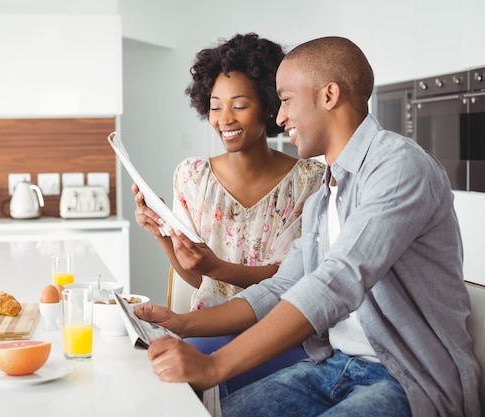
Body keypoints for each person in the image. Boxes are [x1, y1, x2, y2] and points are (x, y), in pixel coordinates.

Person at [135, 36, 482, 417]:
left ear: (329, 95)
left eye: (285, 99)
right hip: (334, 367)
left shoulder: (398, 165)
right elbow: (282, 286)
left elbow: (338, 279)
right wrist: (181, 323)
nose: (280, 117)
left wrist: (214, 366)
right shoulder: (325, 191)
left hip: (407, 377)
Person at [132, 33, 325, 396]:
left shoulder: (309, 181)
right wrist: (159, 232)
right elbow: (199, 282)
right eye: (216, 105)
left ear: (270, 106)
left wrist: (215, 267)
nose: (224, 119)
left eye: (239, 105)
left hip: (280, 333)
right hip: (207, 326)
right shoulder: (191, 177)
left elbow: (293, 284)